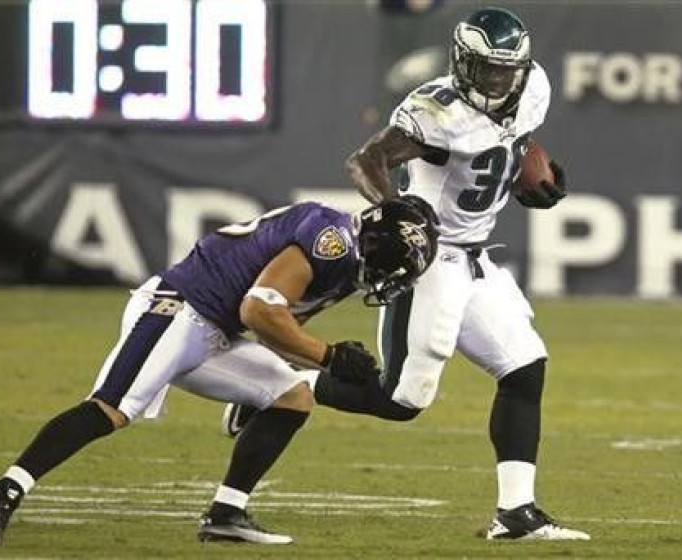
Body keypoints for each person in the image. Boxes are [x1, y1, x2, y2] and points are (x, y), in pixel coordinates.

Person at [224, 7, 589, 541]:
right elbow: (365, 160)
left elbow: (517, 141)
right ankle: (274, 384)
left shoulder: (533, 86)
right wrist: (396, 212)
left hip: (475, 254)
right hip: (431, 254)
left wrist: (530, 173)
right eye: (485, 69)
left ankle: (516, 514)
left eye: (504, 70)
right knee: (402, 401)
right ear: (463, 64)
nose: (496, 80)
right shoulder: (436, 111)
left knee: (524, 366)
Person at [0, 198, 438, 547]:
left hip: (216, 330)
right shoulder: (332, 242)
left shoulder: (346, 266)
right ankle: (4, 488)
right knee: (113, 408)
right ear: (375, 241)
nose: (388, 280)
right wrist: (329, 356)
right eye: (392, 267)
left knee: (291, 395)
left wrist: (282, 374)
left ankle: (226, 514)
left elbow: (282, 327)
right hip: (179, 308)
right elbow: (258, 311)